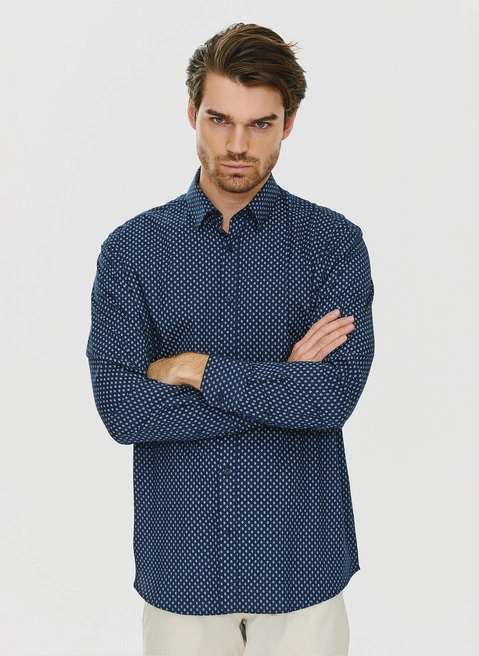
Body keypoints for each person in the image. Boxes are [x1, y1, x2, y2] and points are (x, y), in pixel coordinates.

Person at [87, 22, 374, 656]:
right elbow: (122, 408)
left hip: (302, 568)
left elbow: (330, 399)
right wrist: (282, 382)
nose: (238, 145)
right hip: (182, 569)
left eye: (260, 124)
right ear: (192, 113)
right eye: (219, 120)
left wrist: (196, 369)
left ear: (288, 124)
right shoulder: (132, 251)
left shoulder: (334, 246)